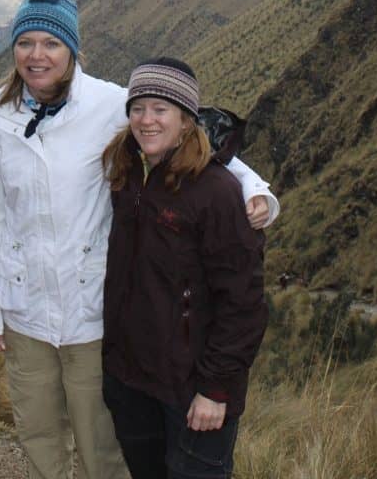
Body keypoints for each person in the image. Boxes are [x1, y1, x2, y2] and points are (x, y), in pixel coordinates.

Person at [0, 0, 278, 479]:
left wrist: (254, 187)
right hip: (24, 304)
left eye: (51, 43)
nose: (37, 55)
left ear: (72, 51)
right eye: (26, 42)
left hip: (93, 312)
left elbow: (195, 136)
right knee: (37, 428)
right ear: (14, 50)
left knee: (100, 441)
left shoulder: (113, 103)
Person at [101, 57, 268, 479]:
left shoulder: (216, 192)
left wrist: (216, 389)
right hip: (132, 380)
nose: (147, 120)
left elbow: (243, 302)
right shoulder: (127, 174)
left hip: (193, 388)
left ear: (186, 119)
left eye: (161, 109)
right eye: (138, 108)